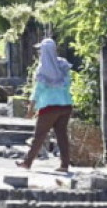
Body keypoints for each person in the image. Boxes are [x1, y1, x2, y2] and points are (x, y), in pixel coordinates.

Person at [17, 38, 73, 172]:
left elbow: (37, 91)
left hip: (49, 107)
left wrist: (31, 109)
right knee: (62, 135)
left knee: (39, 136)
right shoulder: (63, 65)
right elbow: (68, 84)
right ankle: (64, 165)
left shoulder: (43, 69)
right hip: (65, 106)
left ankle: (27, 162)